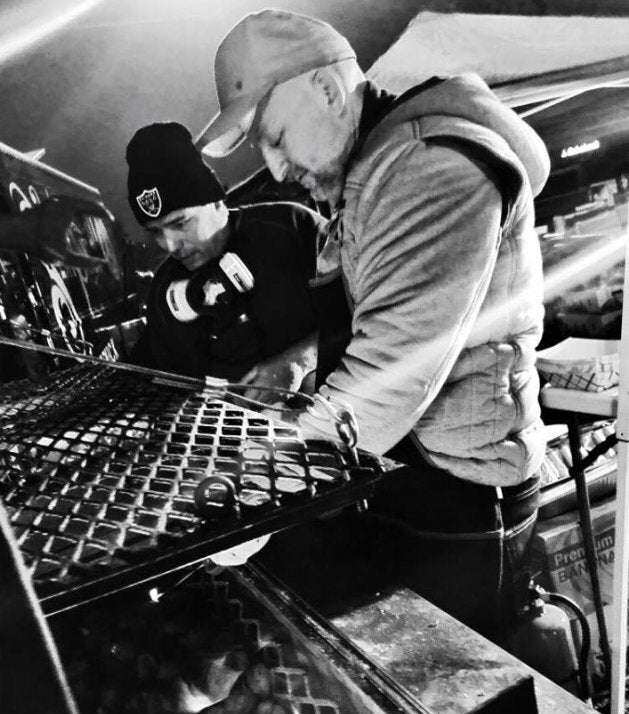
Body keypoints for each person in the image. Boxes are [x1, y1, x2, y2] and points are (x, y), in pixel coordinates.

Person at [198, 9, 551, 642]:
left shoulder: (428, 165)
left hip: (465, 505)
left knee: (466, 696)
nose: (276, 171)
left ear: (328, 90)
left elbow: (388, 378)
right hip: (409, 480)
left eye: (275, 136)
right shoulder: (370, 170)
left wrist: (245, 508)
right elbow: (387, 311)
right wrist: (303, 356)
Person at [126, 121, 327, 403]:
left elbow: (367, 309)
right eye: (156, 232)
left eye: (180, 223)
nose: (170, 245)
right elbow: (166, 385)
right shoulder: (165, 291)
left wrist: (301, 360)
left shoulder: (293, 226)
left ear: (216, 201)